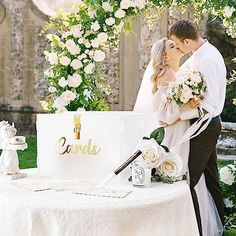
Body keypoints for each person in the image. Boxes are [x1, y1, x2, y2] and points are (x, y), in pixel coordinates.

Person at [134, 35, 224, 235]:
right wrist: (189, 108)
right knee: (183, 178)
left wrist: (191, 102)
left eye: (176, 44)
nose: (177, 48)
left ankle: (199, 224)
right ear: (164, 57)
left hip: (187, 129)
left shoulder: (179, 72)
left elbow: (177, 106)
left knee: (197, 179)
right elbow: (166, 115)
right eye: (172, 47)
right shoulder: (166, 75)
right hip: (176, 132)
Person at [169, 20, 226, 235]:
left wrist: (185, 109)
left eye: (178, 44)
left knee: (188, 178)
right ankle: (217, 224)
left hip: (205, 125)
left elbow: (210, 104)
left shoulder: (208, 59)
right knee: (211, 179)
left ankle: (194, 229)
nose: (178, 49)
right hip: (204, 124)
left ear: (186, 40)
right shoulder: (200, 55)